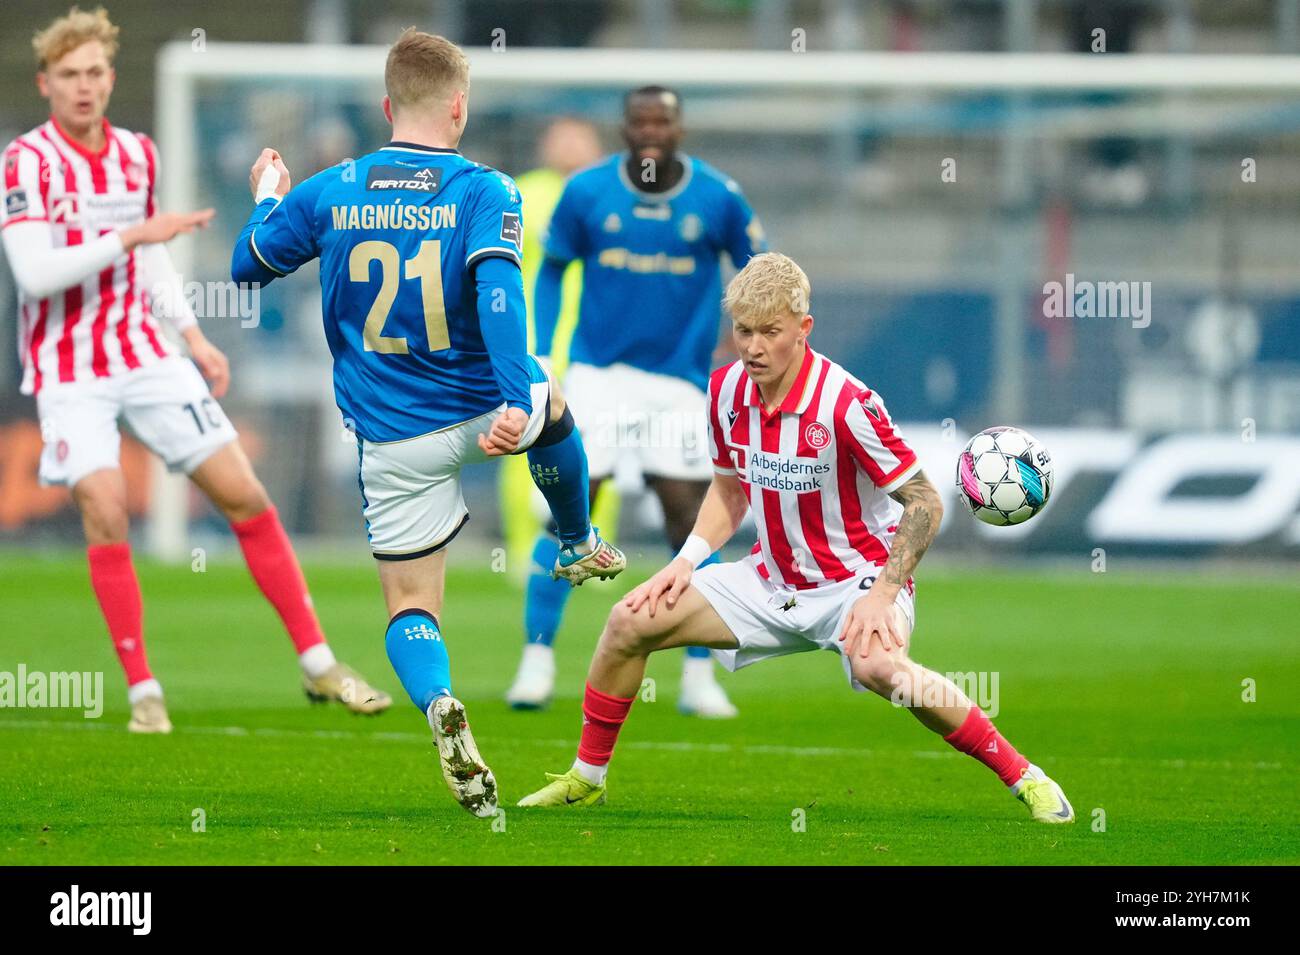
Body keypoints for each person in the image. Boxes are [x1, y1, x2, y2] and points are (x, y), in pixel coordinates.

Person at [518, 253, 1075, 825]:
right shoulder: (725, 391)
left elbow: (926, 503)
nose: (753, 347)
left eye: (769, 333)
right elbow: (729, 492)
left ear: (803, 329)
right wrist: (686, 561)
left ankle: (1024, 777)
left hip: (855, 580)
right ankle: (587, 780)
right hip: (770, 577)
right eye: (742, 331)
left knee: (878, 669)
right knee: (628, 620)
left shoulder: (848, 406)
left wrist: (882, 593)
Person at [230, 29, 625, 818]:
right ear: (459, 106)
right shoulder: (487, 189)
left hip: (393, 437)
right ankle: (577, 539)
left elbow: (247, 266)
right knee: (555, 406)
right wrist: (516, 395)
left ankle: (441, 701)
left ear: (385, 106)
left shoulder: (332, 187)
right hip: (484, 410)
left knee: (411, 606)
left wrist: (269, 196)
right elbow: (498, 294)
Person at [0, 5, 391, 734]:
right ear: (45, 82)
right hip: (68, 368)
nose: (84, 87)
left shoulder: (135, 153)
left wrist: (192, 336)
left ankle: (318, 661)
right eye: (69, 75)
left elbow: (150, 258)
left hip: (146, 351)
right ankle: (144, 687)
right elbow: (34, 272)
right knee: (107, 504)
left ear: (110, 78)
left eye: (94, 73)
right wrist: (130, 234)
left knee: (242, 490)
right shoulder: (27, 161)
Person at [506, 86, 766, 717]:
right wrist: (543, 353)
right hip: (597, 376)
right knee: (570, 512)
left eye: (663, 121)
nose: (651, 131)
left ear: (680, 128)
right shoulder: (588, 192)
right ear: (624, 129)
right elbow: (550, 268)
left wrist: (745, 350)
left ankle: (699, 676)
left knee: (689, 521)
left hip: (679, 383)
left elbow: (758, 271)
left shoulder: (717, 197)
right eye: (640, 121)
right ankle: (536, 662)